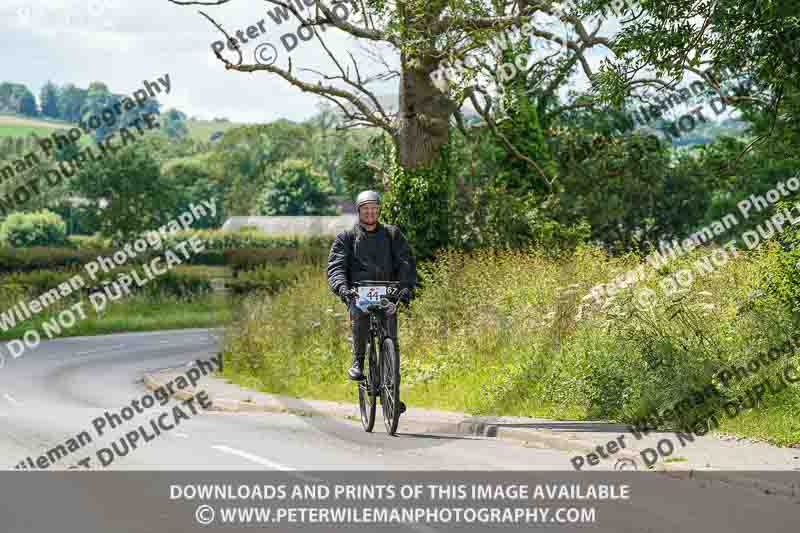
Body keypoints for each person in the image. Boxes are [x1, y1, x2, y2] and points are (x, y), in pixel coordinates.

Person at [326, 190, 417, 414]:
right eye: (366, 209)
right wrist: (343, 289)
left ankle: (392, 395)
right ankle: (358, 362)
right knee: (359, 314)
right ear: (359, 211)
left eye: (374, 208)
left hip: (387, 293)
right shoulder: (346, 238)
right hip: (359, 294)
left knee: (391, 343)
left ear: (379, 210)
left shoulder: (392, 234)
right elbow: (336, 268)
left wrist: (405, 287)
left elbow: (406, 262)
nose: (370, 212)